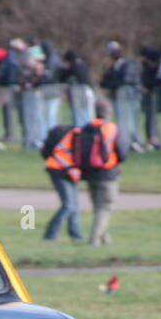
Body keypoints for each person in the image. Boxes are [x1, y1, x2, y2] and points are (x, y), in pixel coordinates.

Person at [49, 98, 128, 245]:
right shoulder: (111, 128)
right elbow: (122, 153)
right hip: (107, 174)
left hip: (89, 174)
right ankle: (94, 239)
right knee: (104, 208)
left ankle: (105, 238)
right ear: (108, 112)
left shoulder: (86, 127)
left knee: (97, 207)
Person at [40, 121, 81, 241]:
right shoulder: (78, 135)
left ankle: (75, 234)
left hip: (66, 170)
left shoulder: (71, 134)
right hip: (59, 170)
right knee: (68, 205)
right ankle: (50, 234)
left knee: (74, 205)